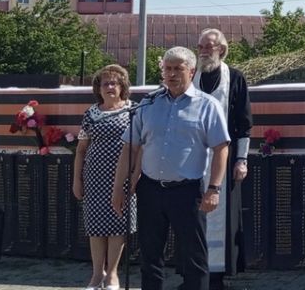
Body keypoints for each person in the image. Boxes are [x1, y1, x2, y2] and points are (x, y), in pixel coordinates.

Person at [112, 47, 230, 290]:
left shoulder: (208, 105)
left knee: (194, 257)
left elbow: (221, 148)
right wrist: (118, 188)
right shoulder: (147, 104)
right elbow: (129, 148)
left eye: (178, 68)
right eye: (168, 68)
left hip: (187, 192)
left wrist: (214, 188)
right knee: (150, 256)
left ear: (192, 71)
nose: (172, 74)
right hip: (150, 190)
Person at [195, 29, 253, 290]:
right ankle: (194, 272)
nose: (204, 51)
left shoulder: (236, 78)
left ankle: (216, 276)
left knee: (220, 216)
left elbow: (244, 123)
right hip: (192, 158)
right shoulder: (189, 76)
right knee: (191, 215)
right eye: (200, 47)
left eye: (209, 46)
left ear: (221, 49)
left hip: (224, 159)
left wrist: (242, 159)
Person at [73, 65, 136, 290]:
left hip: (123, 179)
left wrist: (134, 177)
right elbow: (81, 149)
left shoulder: (133, 111)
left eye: (114, 83)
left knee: (118, 226)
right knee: (95, 227)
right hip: (94, 179)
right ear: (98, 88)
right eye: (105, 83)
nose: (110, 87)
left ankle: (112, 275)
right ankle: (96, 274)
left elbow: (140, 147)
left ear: (122, 87)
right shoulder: (90, 114)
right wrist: (77, 179)